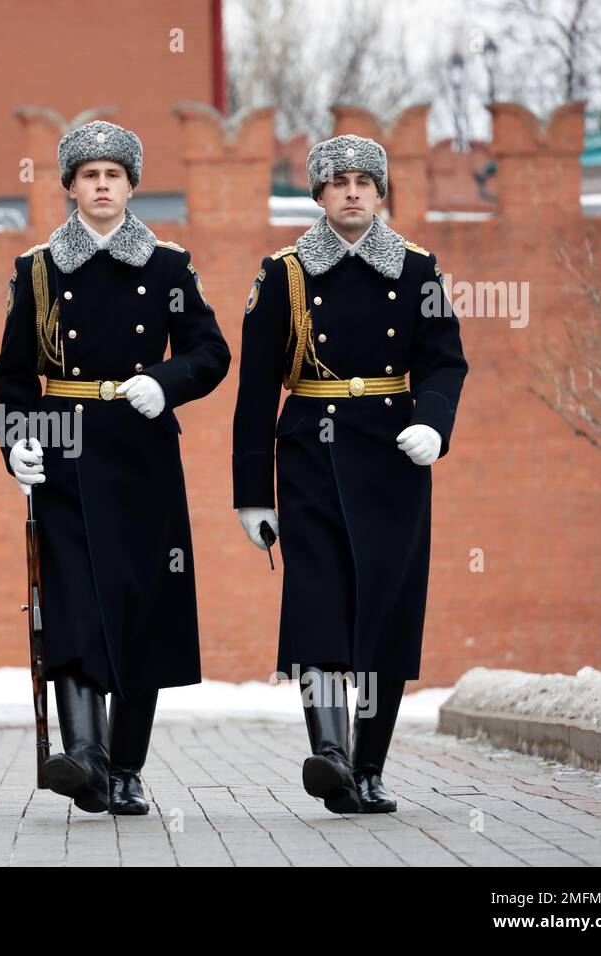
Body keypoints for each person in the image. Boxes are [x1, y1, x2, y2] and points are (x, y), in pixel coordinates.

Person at [0, 120, 230, 814]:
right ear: (68, 186)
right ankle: (85, 756)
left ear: (130, 186)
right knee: (72, 606)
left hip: (141, 451)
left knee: (140, 613)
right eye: (88, 175)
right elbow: (9, 379)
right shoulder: (37, 270)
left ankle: (125, 767)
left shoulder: (167, 267)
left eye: (113, 175)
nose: (101, 185)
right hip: (63, 452)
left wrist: (168, 380)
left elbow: (211, 353)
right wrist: (18, 442)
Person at [231, 134, 468, 813]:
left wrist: (433, 421)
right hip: (310, 453)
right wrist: (252, 494)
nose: (354, 191)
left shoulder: (419, 269)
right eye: (339, 182)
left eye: (366, 181)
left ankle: (369, 767)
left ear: (382, 191)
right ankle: (330, 753)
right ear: (320, 195)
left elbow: (446, 361)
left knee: (387, 610)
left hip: (395, 455)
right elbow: (255, 390)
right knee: (318, 601)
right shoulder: (285, 274)